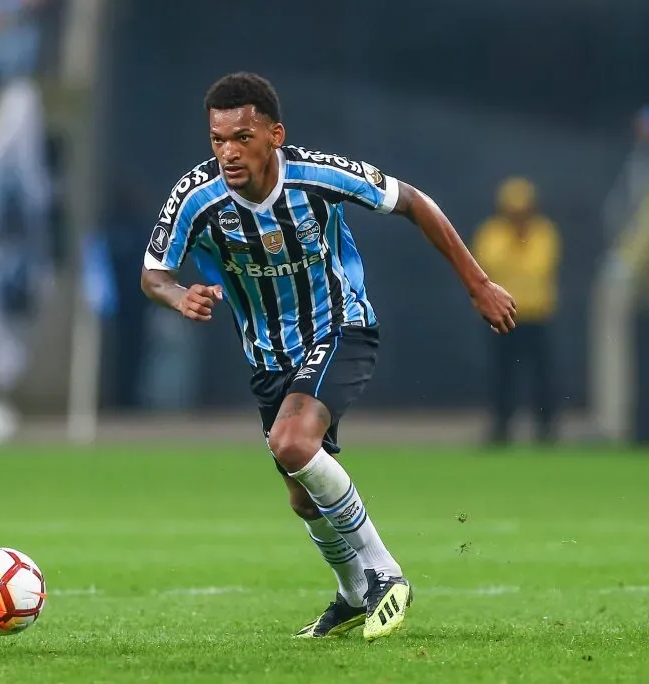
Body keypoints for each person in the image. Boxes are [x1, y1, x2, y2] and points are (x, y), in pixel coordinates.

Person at [139, 72, 516, 642]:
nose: (228, 152)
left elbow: (413, 201)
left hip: (339, 327)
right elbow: (153, 272)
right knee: (301, 494)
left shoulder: (317, 175)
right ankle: (349, 594)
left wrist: (479, 283)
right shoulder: (196, 195)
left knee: (291, 443)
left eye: (242, 137)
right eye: (217, 140)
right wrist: (177, 294)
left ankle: (382, 574)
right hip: (268, 357)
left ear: (274, 135)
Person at [473, 177, 561, 445]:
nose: (519, 218)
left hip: (536, 316)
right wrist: (513, 243)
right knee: (502, 375)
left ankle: (546, 429)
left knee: (542, 376)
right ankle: (501, 427)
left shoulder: (544, 232)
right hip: (503, 317)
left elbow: (539, 266)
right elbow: (488, 264)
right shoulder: (492, 233)